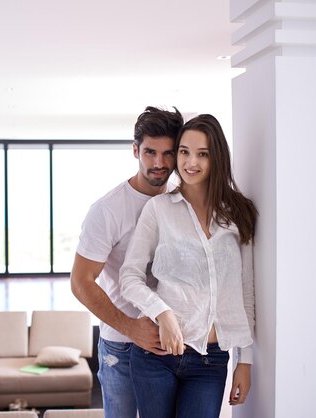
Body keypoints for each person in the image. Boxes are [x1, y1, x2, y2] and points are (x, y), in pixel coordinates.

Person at [119, 114, 257, 418]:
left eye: (202, 153)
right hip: (156, 356)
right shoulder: (159, 209)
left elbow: (245, 292)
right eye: (184, 151)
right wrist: (162, 313)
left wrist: (244, 361)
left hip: (212, 361)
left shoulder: (239, 213)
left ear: (217, 157)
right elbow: (129, 277)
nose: (190, 162)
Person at [70, 106, 184, 418]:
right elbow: (80, 283)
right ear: (135, 150)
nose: (159, 163)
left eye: (168, 153)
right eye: (149, 152)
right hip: (122, 346)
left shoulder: (182, 199)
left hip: (173, 343)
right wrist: (131, 328)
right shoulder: (108, 209)